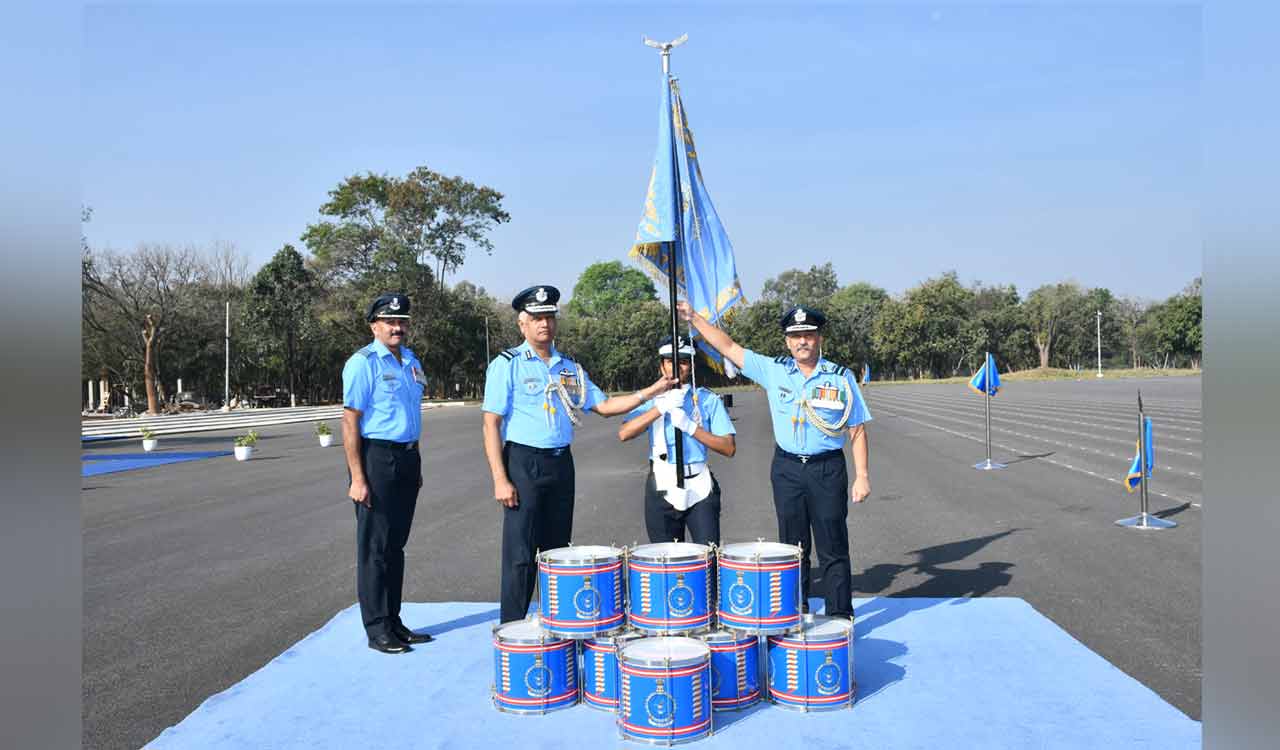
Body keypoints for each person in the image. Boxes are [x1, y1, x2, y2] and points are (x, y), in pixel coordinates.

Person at [482, 285, 678, 624]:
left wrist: (654, 390)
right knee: (520, 553)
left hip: (560, 463)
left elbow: (604, 406)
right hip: (523, 462)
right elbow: (490, 424)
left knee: (557, 550)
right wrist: (500, 478)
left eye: (549, 317)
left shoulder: (569, 368)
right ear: (522, 324)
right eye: (536, 317)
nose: (544, 323)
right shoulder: (507, 365)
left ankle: (555, 623)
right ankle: (513, 630)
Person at [677, 300, 872, 620]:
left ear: (819, 337)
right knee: (793, 547)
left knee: (832, 545)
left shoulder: (840, 378)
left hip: (827, 468)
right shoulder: (774, 370)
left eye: (808, 334)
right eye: (795, 336)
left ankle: (840, 618)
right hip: (787, 469)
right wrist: (694, 318)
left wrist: (861, 475)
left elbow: (857, 428)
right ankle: (796, 612)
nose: (802, 341)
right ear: (787, 341)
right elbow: (727, 346)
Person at [341, 293, 434, 654]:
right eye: (389, 322)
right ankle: (377, 627)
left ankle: (394, 620)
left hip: (407, 457)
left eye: (402, 321)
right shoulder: (363, 363)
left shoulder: (411, 360)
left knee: (396, 546)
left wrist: (417, 461)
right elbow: (350, 421)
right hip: (377, 458)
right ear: (374, 326)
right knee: (375, 548)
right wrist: (358, 477)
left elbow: (411, 415)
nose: (397, 327)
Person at [618, 335, 736, 546]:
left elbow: (728, 447)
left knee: (708, 558)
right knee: (666, 562)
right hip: (662, 483)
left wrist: (691, 428)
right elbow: (625, 433)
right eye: (670, 361)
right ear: (661, 365)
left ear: (690, 366)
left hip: (699, 483)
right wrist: (660, 408)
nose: (676, 367)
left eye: (682, 361)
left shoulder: (707, 400)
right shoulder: (652, 400)